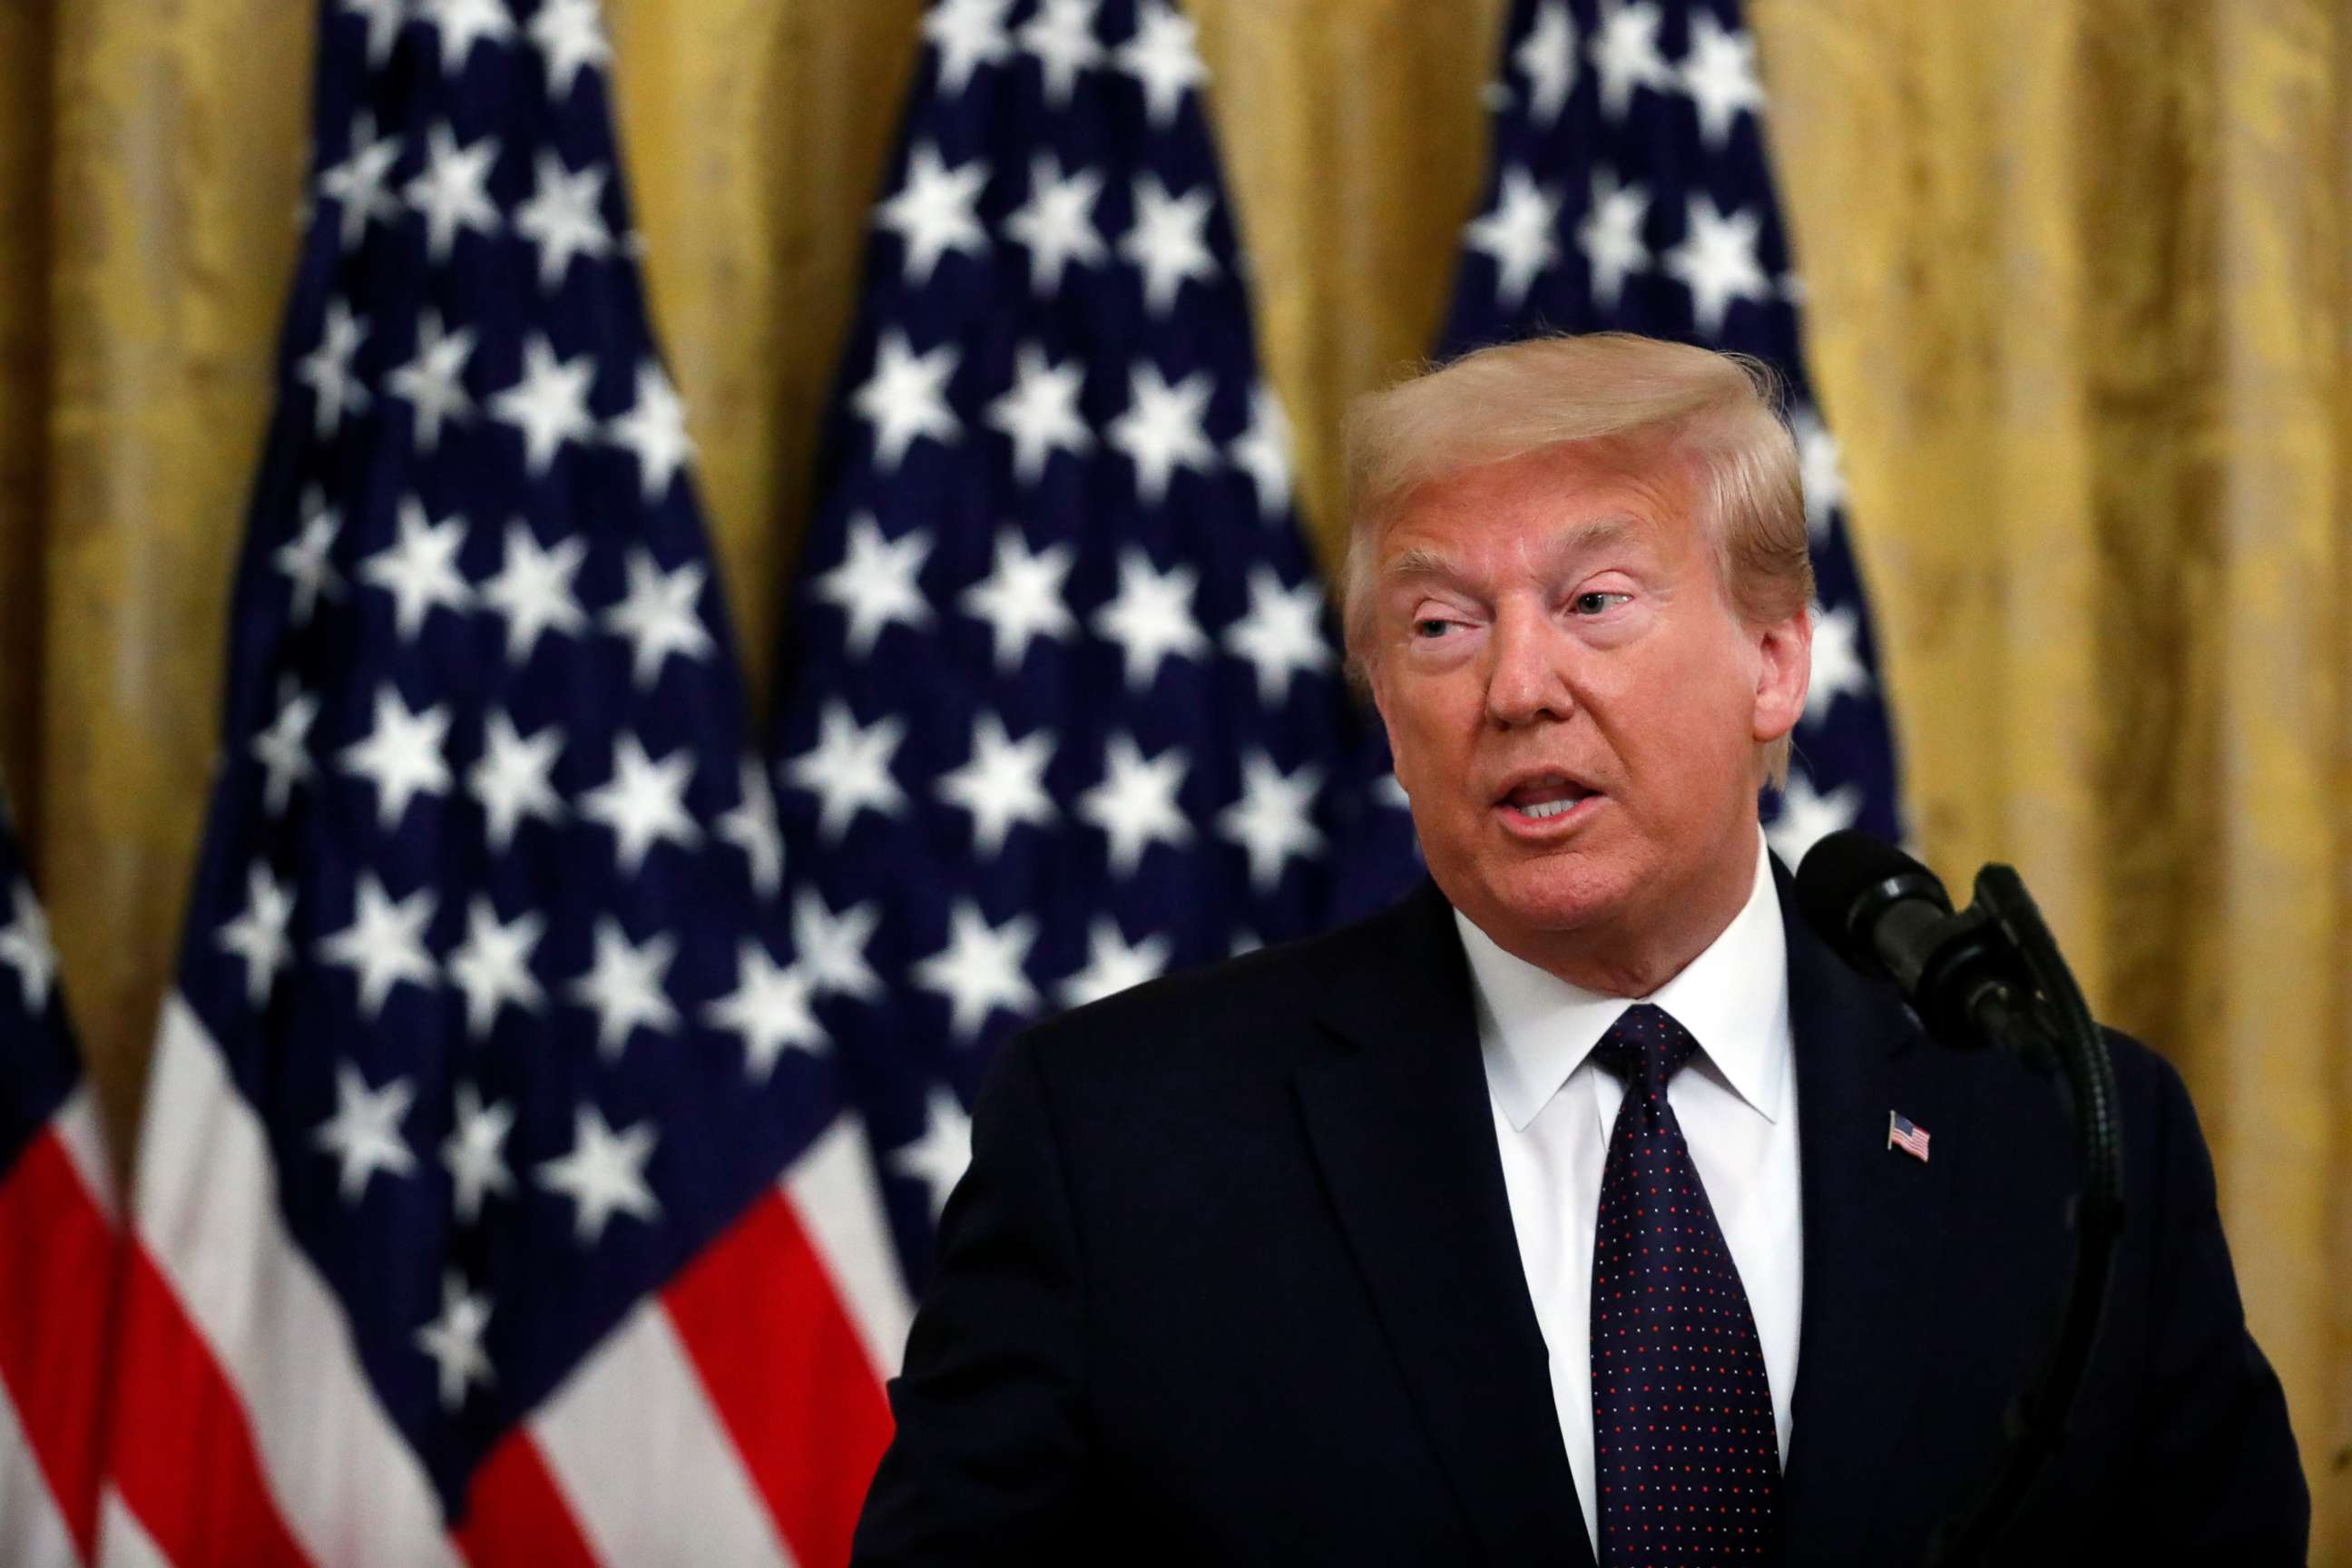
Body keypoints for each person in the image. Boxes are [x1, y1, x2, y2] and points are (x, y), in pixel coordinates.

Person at [851, 334, 2308, 1565]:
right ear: (1382, 703)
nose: (1516, 686)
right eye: (1439, 624)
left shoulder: (2063, 1138)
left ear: (1775, 659)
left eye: (1595, 602)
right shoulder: (1123, 1142)